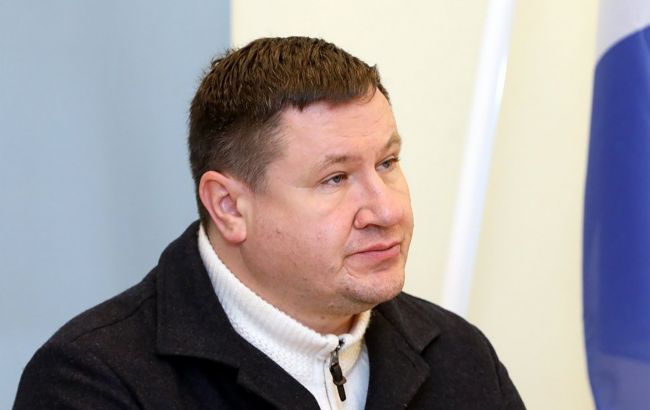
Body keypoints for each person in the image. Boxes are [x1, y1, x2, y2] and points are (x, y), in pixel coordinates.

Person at [14, 37, 525, 409]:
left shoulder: (460, 355)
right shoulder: (93, 381)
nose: (387, 211)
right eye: (335, 178)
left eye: (388, 163)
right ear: (229, 207)